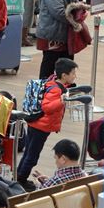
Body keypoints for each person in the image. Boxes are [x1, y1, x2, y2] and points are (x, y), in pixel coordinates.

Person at [16, 58, 79, 187]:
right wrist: (62, 101)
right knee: (32, 156)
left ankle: (19, 176)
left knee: (28, 151)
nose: (75, 76)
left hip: (37, 124)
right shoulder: (56, 90)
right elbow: (47, 107)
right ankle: (21, 180)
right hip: (41, 127)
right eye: (73, 73)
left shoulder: (53, 83)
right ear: (64, 75)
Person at [35, 0, 79, 77]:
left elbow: (75, 1)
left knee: (67, 64)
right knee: (49, 64)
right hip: (52, 35)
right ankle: (44, 89)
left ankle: (64, 88)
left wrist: (80, 7)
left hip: (62, 34)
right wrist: (75, 20)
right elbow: (60, 13)